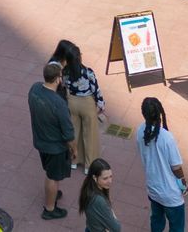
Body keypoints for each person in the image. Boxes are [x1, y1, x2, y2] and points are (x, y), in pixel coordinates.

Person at [28, 62, 76, 221]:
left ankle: (53, 193)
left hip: (41, 141)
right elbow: (69, 134)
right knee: (52, 177)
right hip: (55, 147)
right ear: (57, 79)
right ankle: (49, 208)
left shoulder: (34, 89)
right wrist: (74, 150)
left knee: (50, 172)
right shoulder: (58, 103)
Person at [52, 40, 104, 170]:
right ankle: (89, 164)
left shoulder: (65, 72)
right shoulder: (88, 72)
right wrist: (101, 104)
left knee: (74, 131)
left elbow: (63, 85)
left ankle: (74, 160)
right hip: (87, 103)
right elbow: (96, 89)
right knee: (90, 134)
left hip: (72, 102)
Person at [137, 97, 186, 232]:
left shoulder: (140, 131)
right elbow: (176, 167)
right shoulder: (167, 138)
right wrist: (183, 186)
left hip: (153, 189)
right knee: (177, 226)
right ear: (160, 113)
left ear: (143, 113)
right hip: (171, 194)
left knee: (156, 221)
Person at [78, 158, 121, 232]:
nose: (110, 181)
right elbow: (116, 228)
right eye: (105, 178)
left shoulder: (88, 188)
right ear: (95, 178)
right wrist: (112, 215)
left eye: (111, 176)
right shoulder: (99, 200)